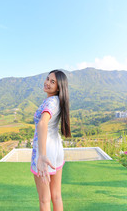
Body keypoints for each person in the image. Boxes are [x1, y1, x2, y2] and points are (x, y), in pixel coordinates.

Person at [30, 70, 71, 211]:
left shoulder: (51, 101)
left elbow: (42, 123)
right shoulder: (58, 101)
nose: (47, 83)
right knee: (56, 196)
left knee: (44, 199)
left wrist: (41, 156)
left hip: (45, 151)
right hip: (56, 149)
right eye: (48, 79)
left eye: (52, 82)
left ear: (59, 87)